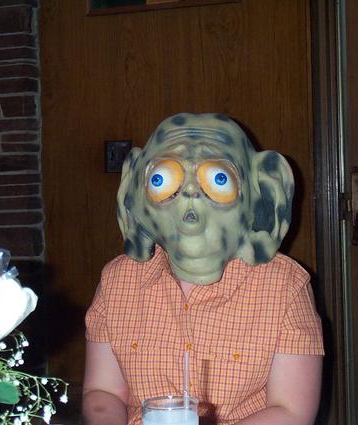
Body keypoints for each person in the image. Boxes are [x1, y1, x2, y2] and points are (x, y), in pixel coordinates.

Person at [83, 113, 324, 425]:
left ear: (263, 193)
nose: (190, 212)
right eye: (161, 181)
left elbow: (292, 411)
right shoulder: (117, 281)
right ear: (133, 196)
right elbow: (103, 391)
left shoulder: (285, 286)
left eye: (219, 181)